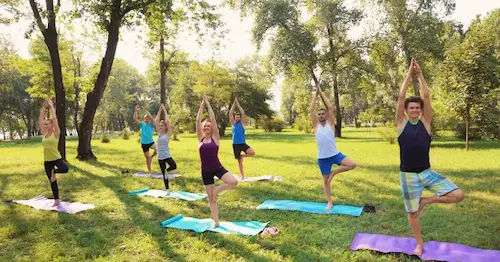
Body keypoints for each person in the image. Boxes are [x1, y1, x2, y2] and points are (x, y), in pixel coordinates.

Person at [396, 58, 465, 256]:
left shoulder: (426, 123)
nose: (415, 109)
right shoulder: (401, 124)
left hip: (426, 172)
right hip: (408, 176)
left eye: (418, 107)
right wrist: (409, 74)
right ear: (407, 110)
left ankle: (426, 201)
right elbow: (401, 97)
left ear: (421, 109)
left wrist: (420, 75)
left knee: (458, 195)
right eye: (412, 107)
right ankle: (419, 244)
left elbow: (426, 95)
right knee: (411, 213)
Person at [310, 87, 356, 210]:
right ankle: (329, 202)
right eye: (319, 114)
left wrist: (321, 92)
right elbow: (311, 109)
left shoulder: (330, 123)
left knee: (352, 164)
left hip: (334, 154)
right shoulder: (316, 126)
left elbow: (330, 107)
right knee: (326, 181)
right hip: (322, 158)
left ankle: (334, 172)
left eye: (322, 113)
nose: (320, 115)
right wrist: (315, 95)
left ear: (326, 115)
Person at [196, 95, 238, 228]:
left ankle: (216, 190)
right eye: (205, 126)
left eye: (208, 125)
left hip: (217, 167)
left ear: (212, 128)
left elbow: (213, 119)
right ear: (202, 129)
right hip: (206, 171)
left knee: (233, 181)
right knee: (212, 200)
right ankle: (216, 221)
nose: (207, 127)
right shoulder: (200, 139)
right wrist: (201, 105)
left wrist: (208, 103)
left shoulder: (215, 137)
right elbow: (197, 120)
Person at [39, 98, 69, 206]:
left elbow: (55, 119)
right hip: (47, 161)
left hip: (57, 159)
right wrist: (43, 107)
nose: (46, 125)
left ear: (52, 125)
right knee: (52, 181)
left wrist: (51, 106)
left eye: (48, 124)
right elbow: (40, 118)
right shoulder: (44, 133)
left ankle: (54, 172)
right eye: (45, 124)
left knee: (65, 169)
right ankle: (56, 200)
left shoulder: (56, 133)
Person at [229, 96, 255, 179]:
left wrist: (238, 103)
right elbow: (230, 113)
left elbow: (243, 113)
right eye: (236, 117)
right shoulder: (233, 123)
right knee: (239, 162)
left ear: (240, 118)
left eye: (238, 117)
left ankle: (243, 156)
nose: (237, 118)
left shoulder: (242, 124)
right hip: (235, 144)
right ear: (235, 118)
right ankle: (242, 176)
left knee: (252, 153)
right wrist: (234, 103)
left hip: (242, 143)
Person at [154, 103, 176, 193]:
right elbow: (156, 121)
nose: (160, 126)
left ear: (165, 127)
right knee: (164, 174)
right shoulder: (159, 134)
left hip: (167, 155)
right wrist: (160, 110)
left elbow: (168, 122)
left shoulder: (167, 134)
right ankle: (167, 189)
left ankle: (166, 171)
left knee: (174, 166)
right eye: (159, 126)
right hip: (160, 157)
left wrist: (165, 110)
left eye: (162, 125)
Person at [134, 105, 157, 174]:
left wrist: (147, 112)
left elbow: (153, 119)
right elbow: (135, 119)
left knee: (157, 149)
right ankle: (150, 172)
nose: (146, 119)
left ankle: (152, 156)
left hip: (151, 142)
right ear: (144, 119)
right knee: (147, 158)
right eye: (145, 118)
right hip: (144, 143)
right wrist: (136, 111)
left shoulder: (151, 125)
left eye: (148, 118)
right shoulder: (142, 124)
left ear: (149, 120)